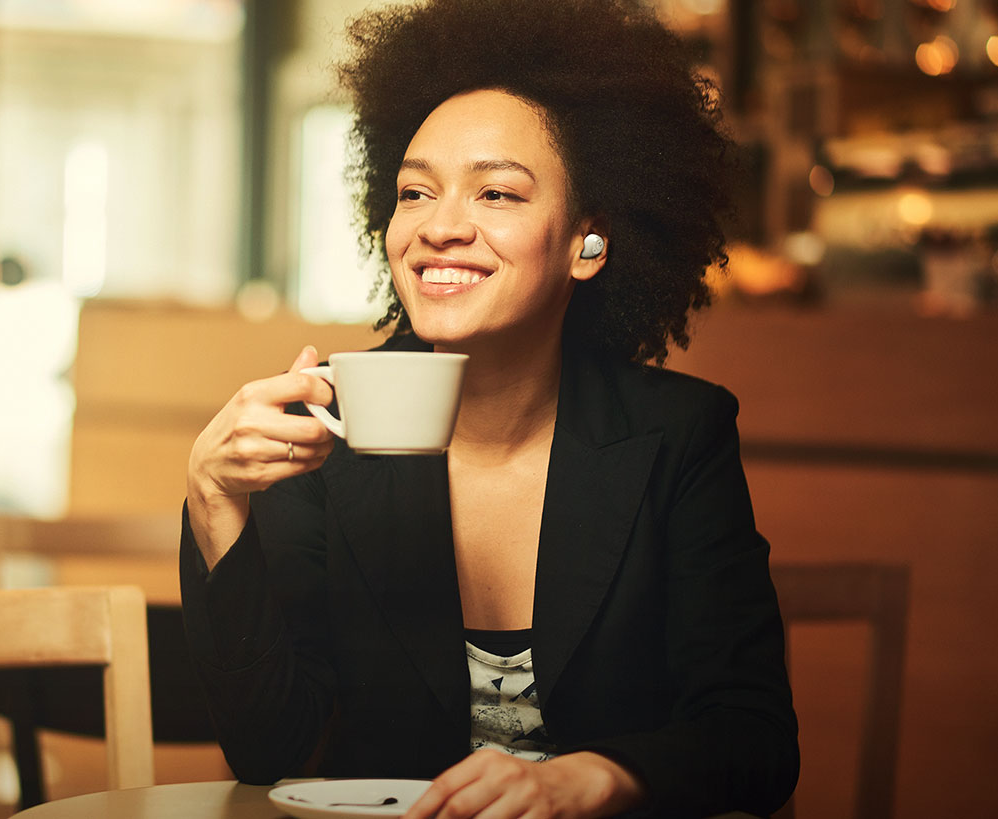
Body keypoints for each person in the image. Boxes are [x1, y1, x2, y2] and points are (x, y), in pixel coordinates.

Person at [180, 1, 798, 816]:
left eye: (497, 193)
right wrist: (215, 503)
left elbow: (752, 739)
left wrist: (585, 776)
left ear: (589, 240)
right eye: (414, 192)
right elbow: (273, 751)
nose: (440, 227)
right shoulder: (321, 425)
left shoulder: (678, 436)